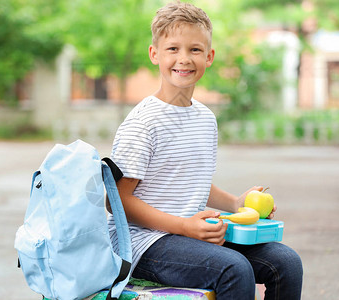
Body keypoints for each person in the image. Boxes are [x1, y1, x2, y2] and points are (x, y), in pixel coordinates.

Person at [107, 1, 303, 299]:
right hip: (143, 243)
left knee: (285, 263)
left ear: (209, 56)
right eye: (173, 49)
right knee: (234, 269)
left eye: (194, 50)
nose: (183, 59)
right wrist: (184, 226)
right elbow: (116, 200)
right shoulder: (143, 122)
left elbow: (188, 177)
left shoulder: (204, 118)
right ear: (154, 54)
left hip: (190, 233)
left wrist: (236, 203)